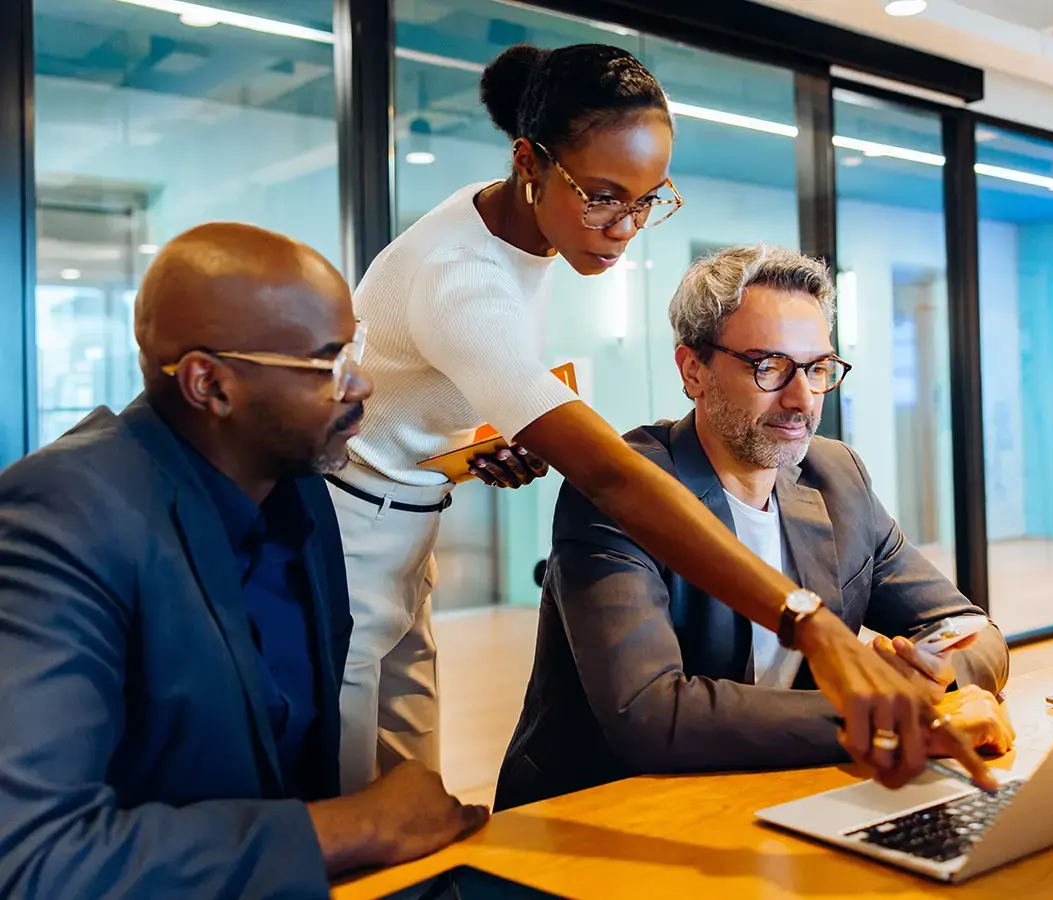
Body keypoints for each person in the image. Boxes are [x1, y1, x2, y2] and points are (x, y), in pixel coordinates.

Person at [334, 42, 992, 796]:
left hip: (411, 515)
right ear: (529, 162)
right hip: (346, 529)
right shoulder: (462, 277)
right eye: (603, 196)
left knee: (408, 793)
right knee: (357, 804)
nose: (625, 226)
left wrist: (465, 442)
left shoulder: (519, 229)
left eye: (648, 200)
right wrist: (808, 623)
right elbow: (613, 477)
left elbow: (414, 385)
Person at [0, 224, 486, 899]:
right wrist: (354, 825)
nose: (362, 384)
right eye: (327, 365)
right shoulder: (64, 516)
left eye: (355, 351)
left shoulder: (301, 493)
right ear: (210, 384)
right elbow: (35, 858)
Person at [494, 245, 1013, 811]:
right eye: (770, 367)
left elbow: (966, 627)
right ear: (693, 370)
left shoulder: (837, 475)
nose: (802, 399)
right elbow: (650, 713)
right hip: (602, 815)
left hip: (775, 795)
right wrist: (889, 712)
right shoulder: (624, 489)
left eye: (817, 369)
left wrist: (940, 683)